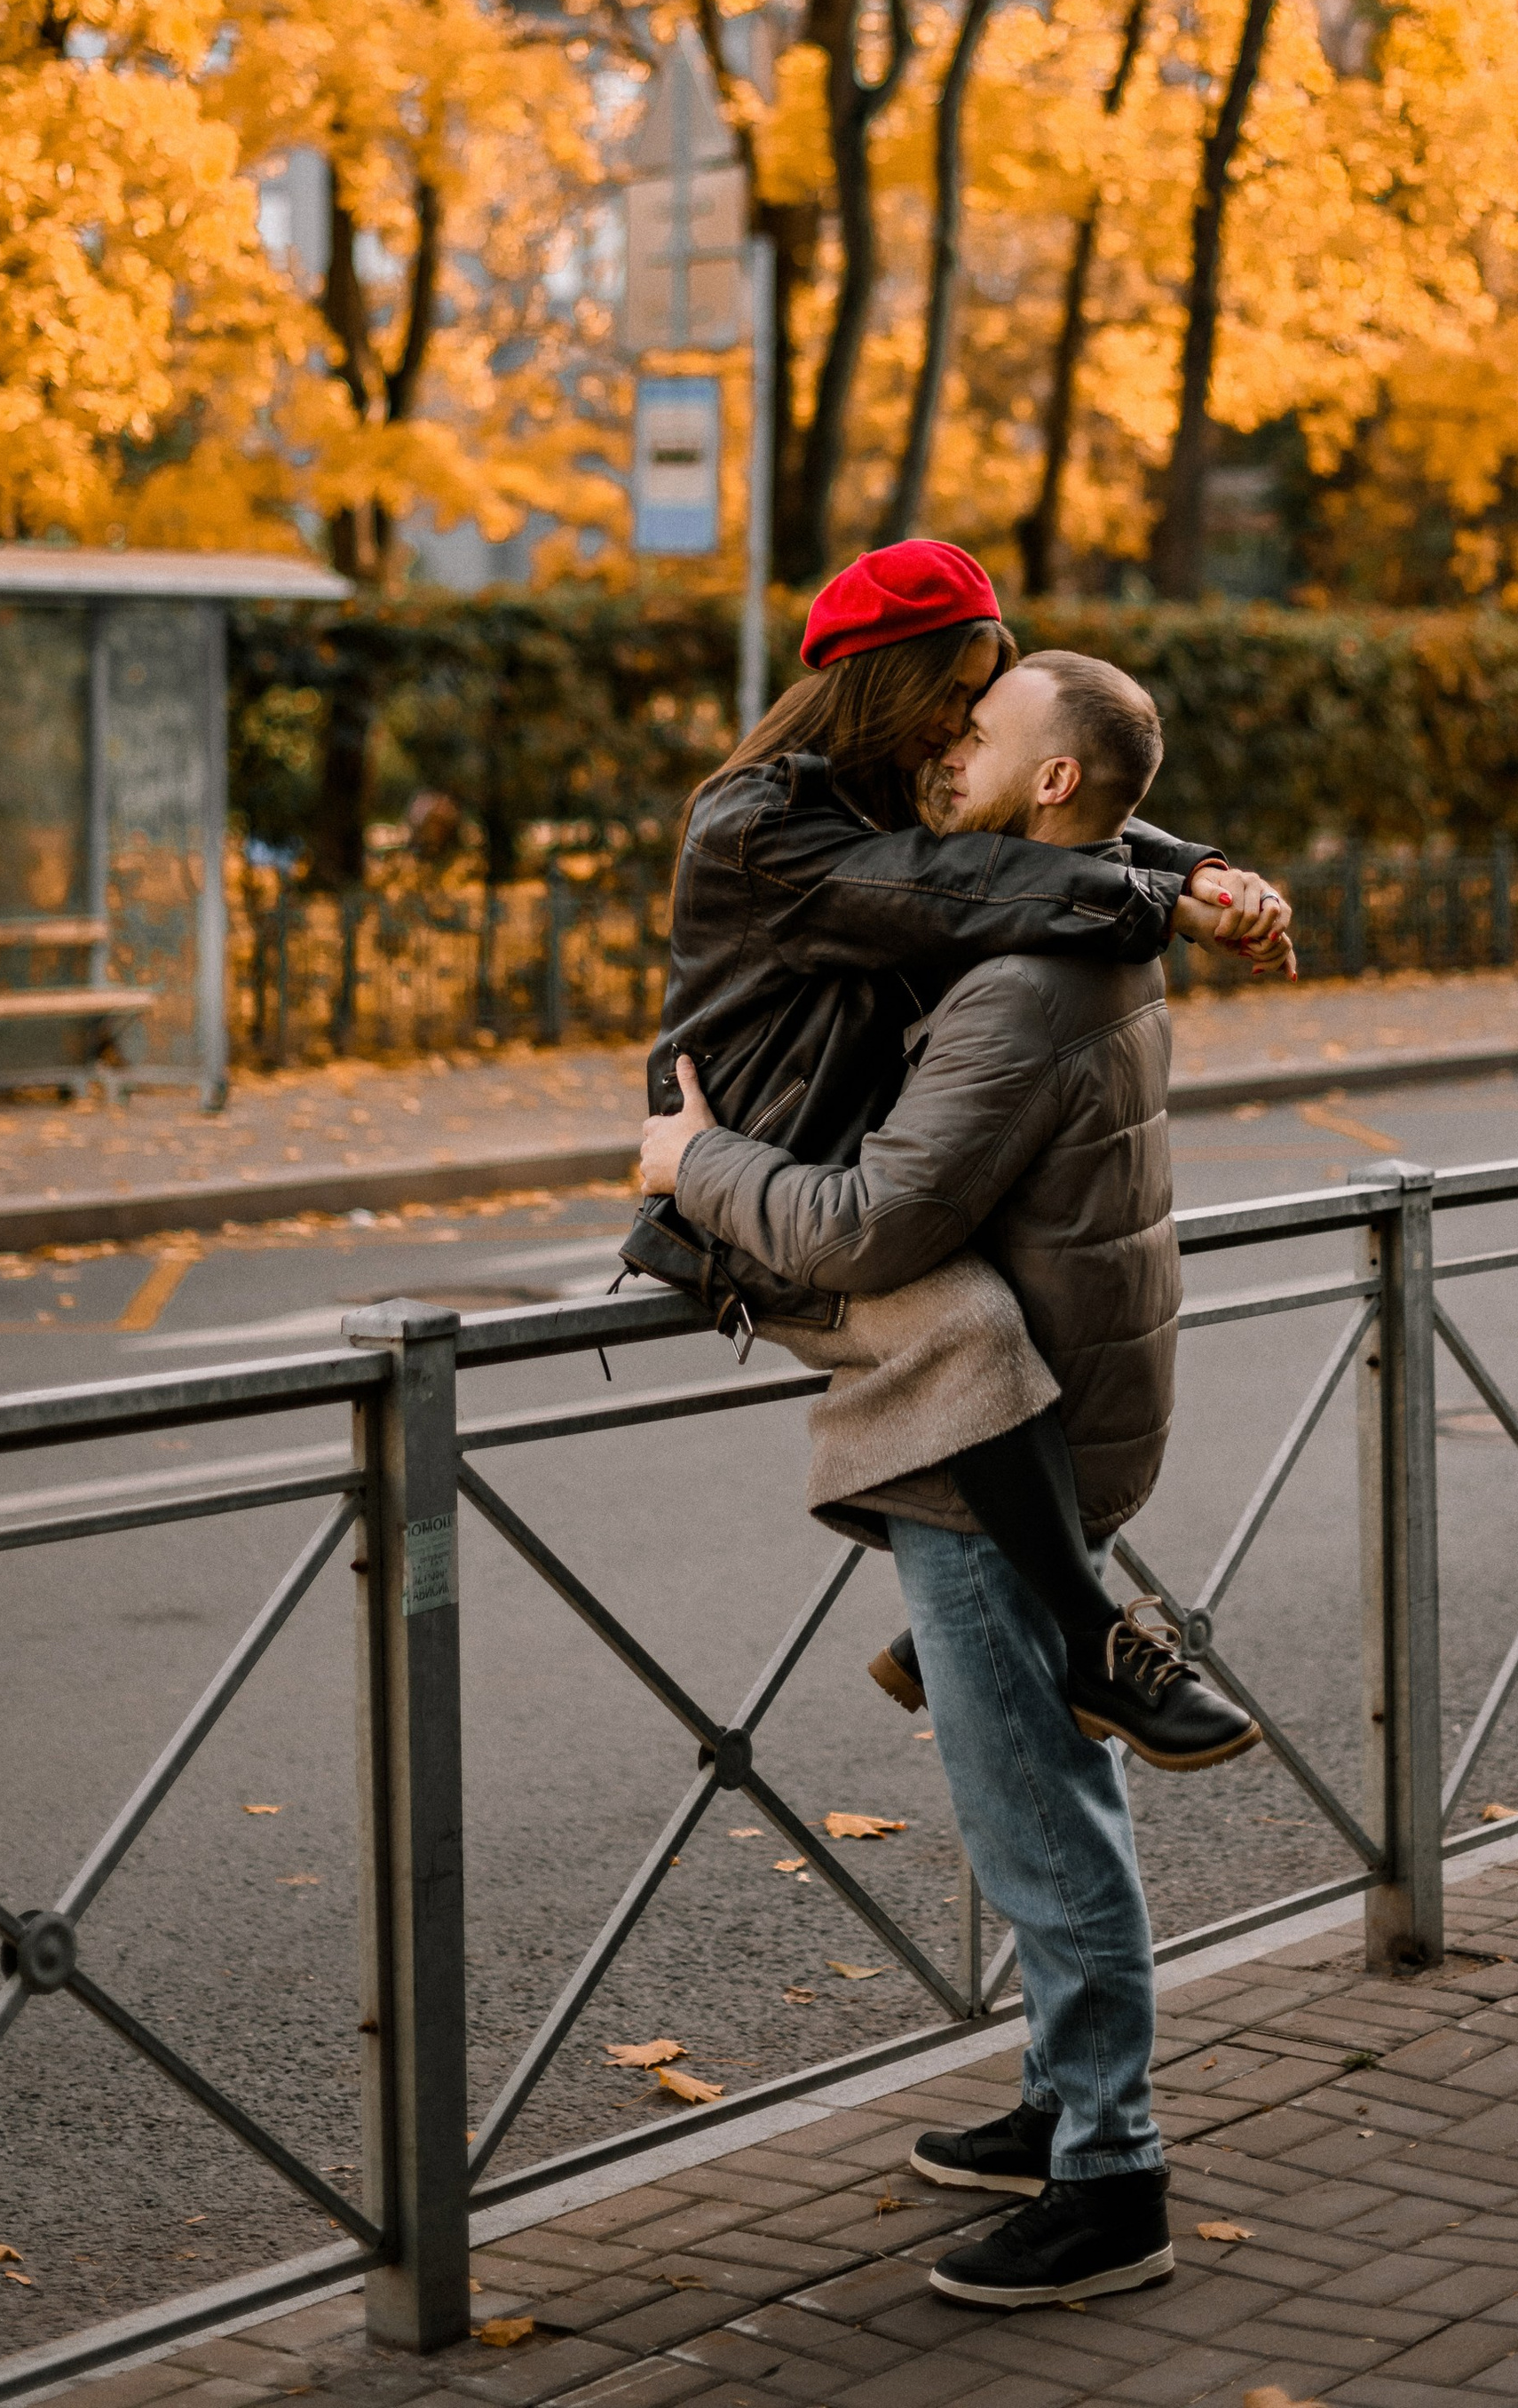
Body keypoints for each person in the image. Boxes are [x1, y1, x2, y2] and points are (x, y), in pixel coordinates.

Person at [638, 644, 1236, 2310]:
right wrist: (1198, 878)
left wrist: (696, 1161)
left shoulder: (1021, 980)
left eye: (980, 731)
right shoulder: (1082, 919)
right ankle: (1061, 2109)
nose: (948, 750)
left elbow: (872, 1228)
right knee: (1054, 1787)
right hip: (1076, 1392)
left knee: (1039, 1817)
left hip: (989, 1432)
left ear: (1049, 785)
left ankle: (1110, 2178)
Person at [622, 539, 1293, 1765]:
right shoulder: (761, 823)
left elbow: (1042, 813)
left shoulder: (889, 791)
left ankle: (959, 1634)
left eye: (979, 712)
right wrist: (1170, 903)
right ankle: (1096, 1640)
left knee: (1046, 1313)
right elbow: (969, 882)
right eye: (955, 698)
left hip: (865, 1168)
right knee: (972, 1325)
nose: (957, 734)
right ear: (887, 683)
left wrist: (1197, 864)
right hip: (753, 1188)